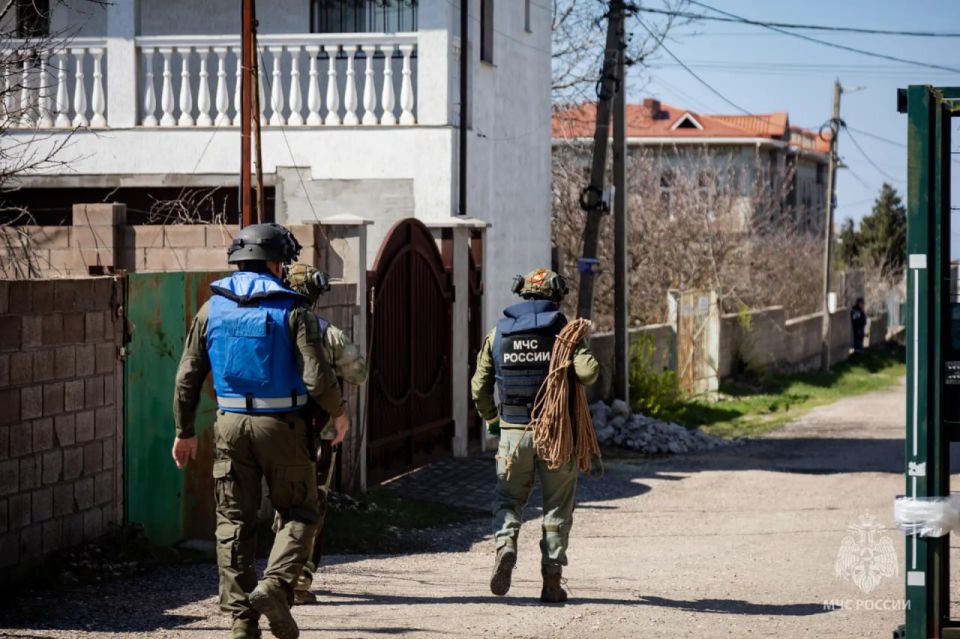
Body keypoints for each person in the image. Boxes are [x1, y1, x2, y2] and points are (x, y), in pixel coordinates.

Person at [171, 223, 349, 639]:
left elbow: (186, 376)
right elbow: (317, 376)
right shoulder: (294, 309)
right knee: (301, 512)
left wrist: (184, 431)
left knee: (234, 522)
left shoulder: (210, 308)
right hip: (283, 427)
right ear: (274, 262)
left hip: (229, 424)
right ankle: (273, 586)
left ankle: (241, 622)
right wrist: (338, 413)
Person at [470, 268, 599, 603]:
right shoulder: (564, 332)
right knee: (557, 508)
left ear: (523, 295)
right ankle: (552, 583)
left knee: (508, 500)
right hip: (556, 435)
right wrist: (574, 349)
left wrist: (493, 420)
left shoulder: (498, 333)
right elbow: (589, 373)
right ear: (555, 297)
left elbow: (479, 387)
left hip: (513, 434)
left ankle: (506, 544)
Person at [281, 263, 368, 605]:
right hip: (319, 433)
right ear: (315, 295)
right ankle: (298, 580)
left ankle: (277, 575)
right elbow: (359, 372)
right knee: (311, 503)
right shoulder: (325, 332)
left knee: (281, 502)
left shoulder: (270, 326)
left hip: (273, 428)